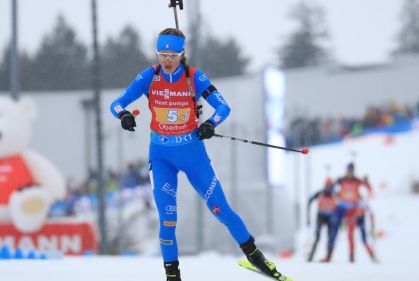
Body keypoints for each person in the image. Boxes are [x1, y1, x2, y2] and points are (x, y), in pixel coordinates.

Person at [110, 28, 286, 281]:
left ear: (182, 54)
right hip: (161, 158)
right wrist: (123, 115)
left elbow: (223, 106)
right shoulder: (149, 77)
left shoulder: (195, 77)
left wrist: (210, 123)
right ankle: (172, 276)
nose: (167, 61)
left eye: (172, 55)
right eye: (162, 55)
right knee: (168, 219)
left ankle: (256, 258)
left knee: (220, 209)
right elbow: (116, 103)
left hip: (193, 155)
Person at [328, 163, 377, 263]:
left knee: (360, 237)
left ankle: (369, 256)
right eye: (348, 171)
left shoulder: (357, 180)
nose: (350, 173)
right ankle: (343, 257)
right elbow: (331, 189)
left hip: (355, 210)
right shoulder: (341, 180)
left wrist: (367, 182)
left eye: (351, 171)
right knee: (344, 234)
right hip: (345, 210)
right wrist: (335, 194)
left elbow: (369, 189)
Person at [306, 177, 338, 262]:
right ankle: (310, 256)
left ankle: (328, 257)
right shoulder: (320, 193)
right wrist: (308, 217)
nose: (329, 188)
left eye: (330, 186)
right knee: (317, 237)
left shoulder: (335, 194)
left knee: (330, 237)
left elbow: (340, 207)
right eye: (327, 186)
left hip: (330, 218)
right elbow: (309, 200)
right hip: (320, 217)